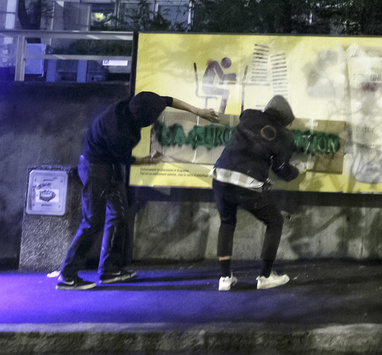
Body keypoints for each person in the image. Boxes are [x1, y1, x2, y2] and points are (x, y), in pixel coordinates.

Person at [57, 91, 220, 290]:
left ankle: (109, 270)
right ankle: (67, 275)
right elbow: (127, 159)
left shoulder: (131, 105)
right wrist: (150, 160)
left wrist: (197, 111)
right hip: (95, 169)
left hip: (108, 164)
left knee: (118, 214)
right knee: (92, 221)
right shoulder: (120, 131)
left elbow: (169, 100)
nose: (159, 117)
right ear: (145, 119)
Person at [211, 94, 299, 290]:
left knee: (227, 223)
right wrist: (297, 171)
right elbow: (281, 169)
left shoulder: (248, 115)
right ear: (285, 119)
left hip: (221, 177)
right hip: (247, 184)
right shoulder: (284, 136)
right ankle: (265, 276)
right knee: (275, 221)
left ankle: (224, 279)